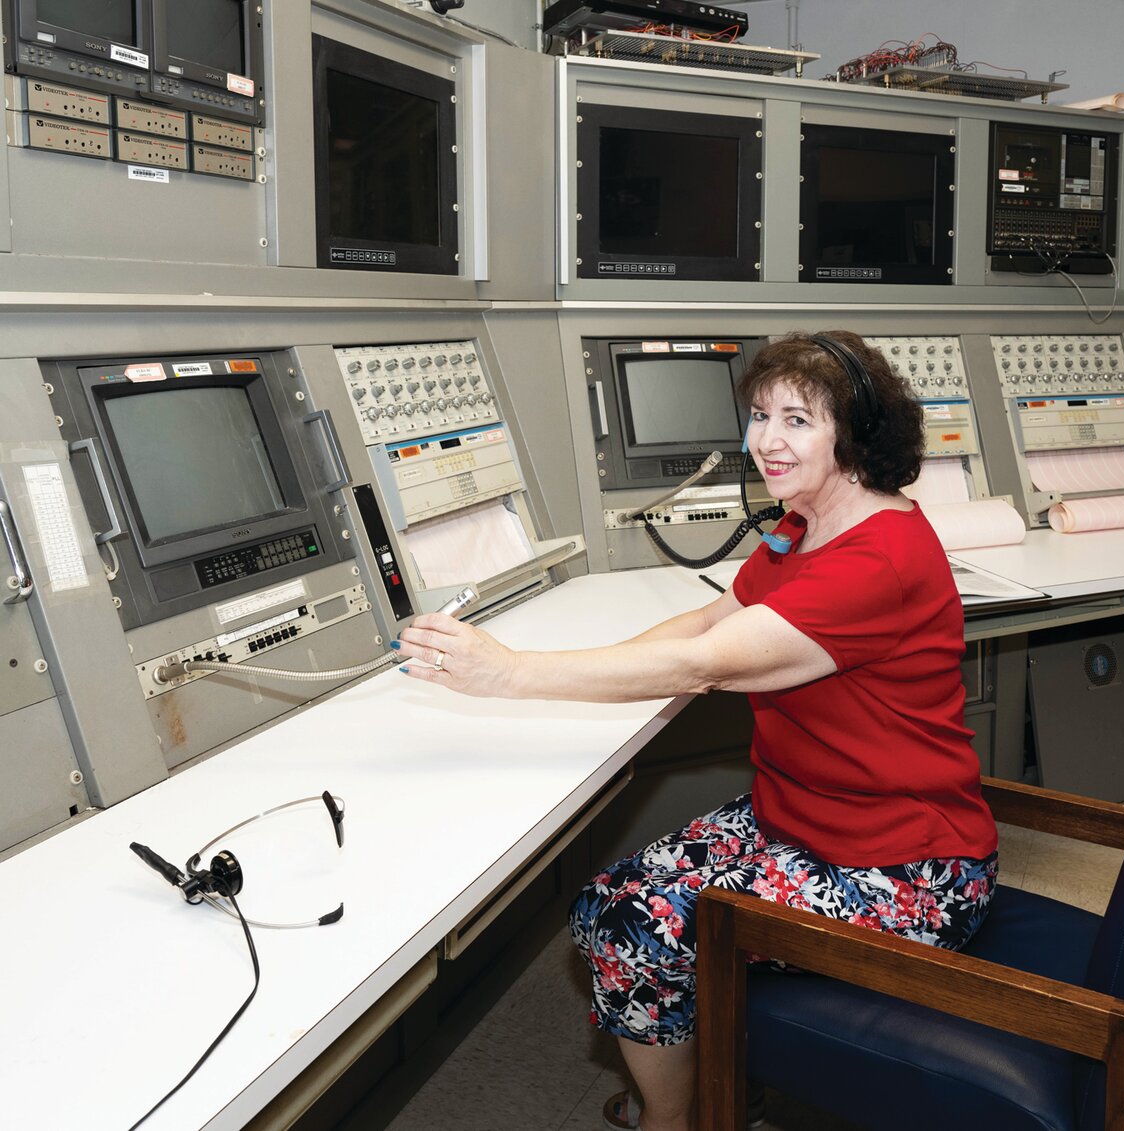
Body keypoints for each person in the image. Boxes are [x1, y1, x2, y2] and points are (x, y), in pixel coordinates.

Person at [393, 331, 1000, 1131]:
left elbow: (706, 664)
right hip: (807, 815)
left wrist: (512, 675)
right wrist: (549, 672)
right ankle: (710, 1074)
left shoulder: (874, 559)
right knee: (607, 898)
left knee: (629, 924)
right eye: (758, 415)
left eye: (797, 420)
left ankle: (679, 1119)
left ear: (854, 434)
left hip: (903, 866)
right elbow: (712, 618)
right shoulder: (803, 523)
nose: (766, 440)